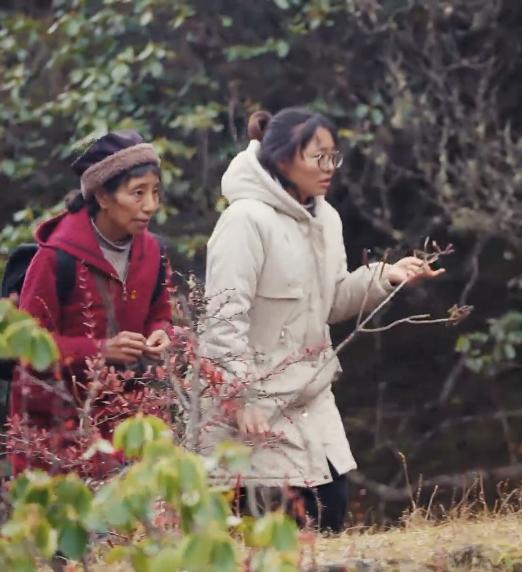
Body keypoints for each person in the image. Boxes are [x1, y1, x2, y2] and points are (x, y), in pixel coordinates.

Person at [201, 108, 441, 532]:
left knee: (330, 513)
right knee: (273, 536)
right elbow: (223, 319)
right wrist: (241, 398)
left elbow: (330, 301)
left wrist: (386, 276)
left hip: (311, 402)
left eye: (334, 157)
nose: (330, 168)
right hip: (253, 413)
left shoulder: (326, 219)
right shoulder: (244, 221)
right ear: (282, 158)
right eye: (319, 157)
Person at [9, 130, 172, 475]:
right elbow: (26, 349)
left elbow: (160, 314)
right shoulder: (56, 258)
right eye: (138, 193)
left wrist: (161, 333)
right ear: (102, 196)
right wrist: (101, 350)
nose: (150, 205)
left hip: (126, 430)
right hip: (55, 438)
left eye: (155, 192)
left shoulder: (154, 251)